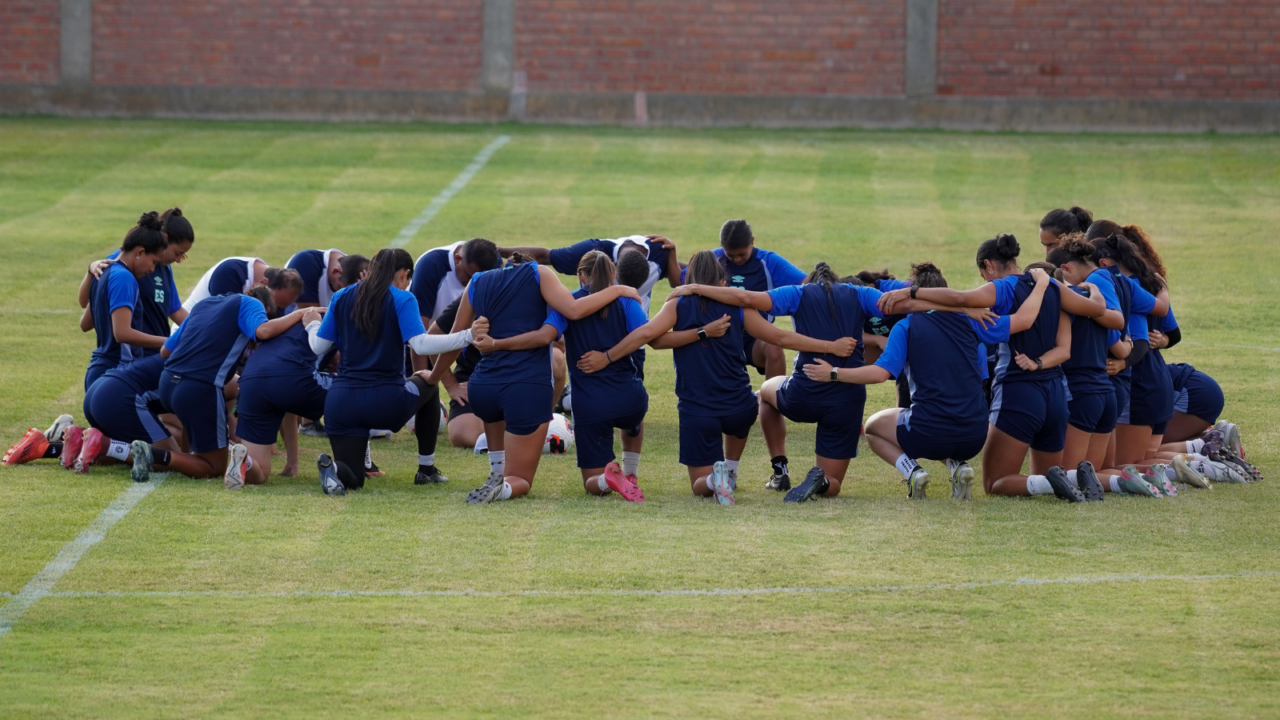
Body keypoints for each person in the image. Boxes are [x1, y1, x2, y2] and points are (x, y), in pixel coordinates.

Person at [579, 250, 846, 505]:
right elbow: (780, 337)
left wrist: (609, 356)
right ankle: (729, 472)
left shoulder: (678, 302)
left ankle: (713, 480)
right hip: (740, 407)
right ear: (721, 280)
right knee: (744, 409)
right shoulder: (738, 305)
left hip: (698, 410)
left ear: (688, 279)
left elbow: (653, 339)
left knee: (699, 486)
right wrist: (828, 346)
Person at [880, 234, 1109, 502]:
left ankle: (1057, 482)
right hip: (1057, 394)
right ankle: (1071, 478)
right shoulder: (1051, 287)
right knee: (1041, 473)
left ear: (989, 266)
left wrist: (911, 291)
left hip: (1020, 392)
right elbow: (1097, 309)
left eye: (984, 275)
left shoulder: (1002, 288)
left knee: (996, 482)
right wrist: (1093, 288)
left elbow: (957, 299)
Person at [804, 263, 1050, 500]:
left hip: (929, 433)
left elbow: (880, 373)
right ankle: (957, 467)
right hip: (976, 434)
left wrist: (834, 373)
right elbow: (1022, 322)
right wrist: (1042, 284)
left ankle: (912, 471)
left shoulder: (906, 326)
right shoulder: (975, 320)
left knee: (873, 427)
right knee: (943, 422)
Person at [427, 253, 641, 504]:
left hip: (483, 386)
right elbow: (570, 312)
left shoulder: (476, 281)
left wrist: (434, 377)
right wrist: (618, 290)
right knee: (521, 479)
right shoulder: (539, 273)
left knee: (501, 467)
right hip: (526, 388)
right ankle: (504, 488)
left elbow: (455, 339)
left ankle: (496, 476)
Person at [473, 251, 667, 501]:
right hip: (630, 398)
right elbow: (647, 335)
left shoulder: (567, 303)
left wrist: (497, 343)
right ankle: (630, 473)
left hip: (590, 404)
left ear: (580, 275)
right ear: (613, 274)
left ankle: (606, 479)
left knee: (590, 483)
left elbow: (545, 336)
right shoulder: (627, 299)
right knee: (633, 421)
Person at [306, 248, 486, 495]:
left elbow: (318, 346)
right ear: (404, 274)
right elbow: (420, 344)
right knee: (429, 383)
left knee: (354, 479)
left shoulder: (341, 297)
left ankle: (334, 468)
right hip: (386, 402)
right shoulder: (402, 298)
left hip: (341, 403)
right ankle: (426, 469)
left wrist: (312, 324)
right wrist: (468, 335)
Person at [159, 285, 310, 482]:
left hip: (167, 382)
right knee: (218, 467)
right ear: (265, 311)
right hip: (197, 388)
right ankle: (158, 456)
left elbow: (166, 351)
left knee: (202, 416)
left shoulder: (206, 303)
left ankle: (190, 455)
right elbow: (263, 331)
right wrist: (301, 313)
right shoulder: (251, 304)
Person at [406, 238, 504, 483]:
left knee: (556, 359)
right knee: (460, 435)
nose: (472, 282)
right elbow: (424, 339)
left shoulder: (507, 282)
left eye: (480, 277)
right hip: (461, 365)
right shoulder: (437, 270)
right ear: (458, 259)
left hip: (509, 369)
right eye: (470, 276)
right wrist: (442, 385)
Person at [1045, 237, 1129, 486]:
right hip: (1106, 394)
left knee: (1072, 478)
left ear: (1065, 270)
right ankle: (1144, 476)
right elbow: (1117, 339)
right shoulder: (1094, 302)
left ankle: (1138, 478)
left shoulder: (1065, 301)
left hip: (1082, 393)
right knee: (1094, 474)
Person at [226, 305, 329, 489]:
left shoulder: (290, 321)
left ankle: (245, 460)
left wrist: (293, 460)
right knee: (348, 398)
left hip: (252, 380)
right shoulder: (336, 318)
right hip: (289, 376)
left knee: (261, 473)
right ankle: (358, 464)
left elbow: (288, 405)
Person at [77, 207, 195, 351]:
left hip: (155, 355)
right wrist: (90, 272)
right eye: (178, 253)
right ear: (164, 239)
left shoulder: (163, 268)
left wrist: (203, 332)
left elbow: (175, 310)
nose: (178, 260)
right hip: (131, 359)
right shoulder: (121, 267)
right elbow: (87, 320)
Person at [82, 212, 172, 390]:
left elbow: (85, 323)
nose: (153, 270)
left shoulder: (104, 272)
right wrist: (170, 341)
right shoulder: (124, 278)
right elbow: (122, 333)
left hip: (98, 371)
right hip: (117, 374)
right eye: (154, 262)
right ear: (140, 252)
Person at [713, 219, 807, 378]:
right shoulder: (713, 259)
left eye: (741, 254)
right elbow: (680, 278)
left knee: (774, 349)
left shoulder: (768, 261)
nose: (736, 259)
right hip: (718, 335)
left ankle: (773, 400)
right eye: (731, 255)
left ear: (752, 241)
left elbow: (805, 283)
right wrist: (671, 254)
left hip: (756, 337)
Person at [499, 234, 683, 314]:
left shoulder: (660, 252)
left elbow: (680, 275)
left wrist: (672, 253)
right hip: (592, 328)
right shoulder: (591, 252)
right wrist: (498, 250)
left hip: (631, 335)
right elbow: (545, 255)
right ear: (613, 266)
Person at [182, 256, 270, 311]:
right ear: (264, 283)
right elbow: (226, 322)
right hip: (190, 336)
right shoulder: (228, 273)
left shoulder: (274, 281)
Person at [285, 248, 359, 309]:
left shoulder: (355, 269)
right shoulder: (305, 263)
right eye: (339, 287)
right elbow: (310, 314)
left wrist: (365, 293)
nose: (340, 294)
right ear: (336, 271)